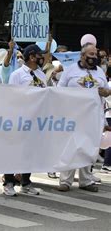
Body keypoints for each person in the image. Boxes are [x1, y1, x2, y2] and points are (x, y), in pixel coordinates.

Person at [57, 43, 110, 192]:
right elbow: (59, 90)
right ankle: (65, 181)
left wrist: (106, 92)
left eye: (95, 54)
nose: (94, 57)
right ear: (82, 55)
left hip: (93, 118)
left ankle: (86, 180)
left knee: (89, 148)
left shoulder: (99, 72)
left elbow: (107, 90)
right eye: (91, 54)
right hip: (72, 116)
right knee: (70, 147)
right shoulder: (70, 70)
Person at [2, 44, 46, 197]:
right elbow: (12, 97)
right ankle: (8, 182)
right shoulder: (18, 75)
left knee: (30, 152)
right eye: (39, 55)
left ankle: (26, 182)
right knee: (13, 152)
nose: (42, 58)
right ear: (32, 57)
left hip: (36, 120)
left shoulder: (41, 75)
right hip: (20, 120)